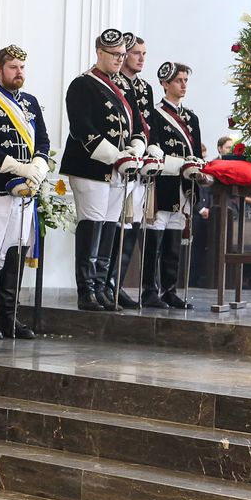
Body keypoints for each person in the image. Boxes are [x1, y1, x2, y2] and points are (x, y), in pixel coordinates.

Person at [59, 29, 156, 311]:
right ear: (99, 53)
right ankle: (86, 290)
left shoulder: (122, 88)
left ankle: (102, 287)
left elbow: (138, 125)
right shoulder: (82, 84)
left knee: (110, 227)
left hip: (119, 170)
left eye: (122, 55)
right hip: (90, 167)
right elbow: (81, 128)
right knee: (92, 225)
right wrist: (115, 156)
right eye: (114, 55)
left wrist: (136, 151)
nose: (119, 59)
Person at [0, 46, 51, 339]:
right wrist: (17, 167)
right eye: (13, 67)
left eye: (22, 67)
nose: (19, 72)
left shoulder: (30, 102)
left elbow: (42, 139)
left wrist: (39, 167)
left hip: (26, 189)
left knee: (15, 251)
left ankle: (9, 314)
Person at [143, 63, 205, 310]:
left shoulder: (192, 117)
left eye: (185, 80)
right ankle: (149, 290)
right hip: (162, 182)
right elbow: (154, 148)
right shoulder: (155, 114)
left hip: (184, 185)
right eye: (178, 80)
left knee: (173, 242)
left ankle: (170, 290)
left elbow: (197, 149)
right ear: (165, 84)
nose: (183, 85)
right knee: (155, 240)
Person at [104, 33, 155, 309]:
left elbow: (147, 124)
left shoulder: (145, 88)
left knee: (131, 227)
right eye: (136, 53)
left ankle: (117, 282)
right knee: (115, 225)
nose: (140, 58)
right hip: (119, 161)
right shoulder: (114, 82)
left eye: (143, 54)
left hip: (141, 163)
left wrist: (152, 148)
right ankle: (106, 284)